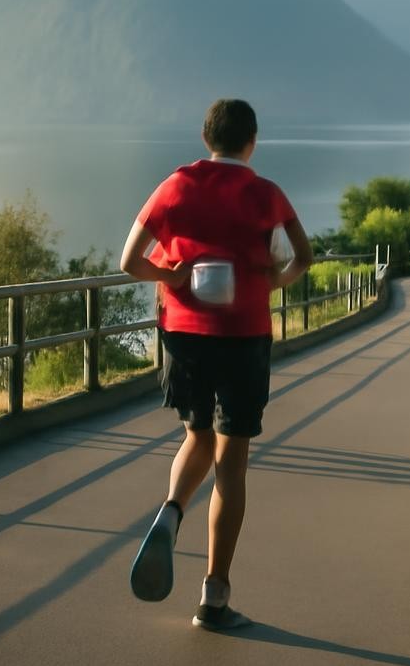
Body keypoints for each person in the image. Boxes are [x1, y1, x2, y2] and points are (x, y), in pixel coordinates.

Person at [121, 98, 313, 631]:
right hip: (244, 335)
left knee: (197, 436)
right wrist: (271, 280)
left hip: (182, 335)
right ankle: (215, 597)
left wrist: (173, 276)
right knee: (232, 461)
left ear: (206, 137)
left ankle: (172, 508)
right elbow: (304, 255)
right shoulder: (265, 193)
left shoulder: (174, 185)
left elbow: (129, 260)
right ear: (251, 141)